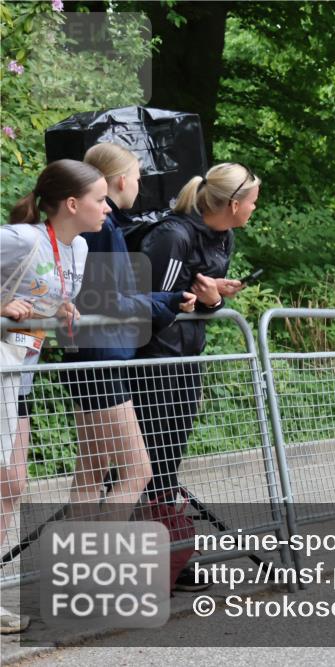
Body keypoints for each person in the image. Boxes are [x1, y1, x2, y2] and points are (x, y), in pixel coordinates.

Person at [132, 163, 258, 591]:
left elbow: (197, 306)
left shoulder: (225, 236)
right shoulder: (174, 235)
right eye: (253, 201)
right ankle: (147, 563)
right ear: (235, 203)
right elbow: (150, 303)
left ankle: (170, 558)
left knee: (168, 462)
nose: (256, 208)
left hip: (187, 360)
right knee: (148, 464)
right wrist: (196, 299)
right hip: (153, 363)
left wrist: (212, 300)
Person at [0, 159, 107, 634]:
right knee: (7, 485)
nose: (106, 208)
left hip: (21, 373)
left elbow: (51, 296)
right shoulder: (23, 238)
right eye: (100, 199)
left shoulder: (79, 248)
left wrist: (61, 309)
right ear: (71, 204)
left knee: (12, 485)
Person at [62, 143, 197, 518]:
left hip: (90, 355)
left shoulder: (101, 226)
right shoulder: (103, 227)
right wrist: (166, 304)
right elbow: (109, 300)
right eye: (138, 177)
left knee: (92, 472)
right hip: (101, 357)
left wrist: (165, 299)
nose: (139, 185)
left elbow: (110, 295)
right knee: (136, 470)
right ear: (122, 179)